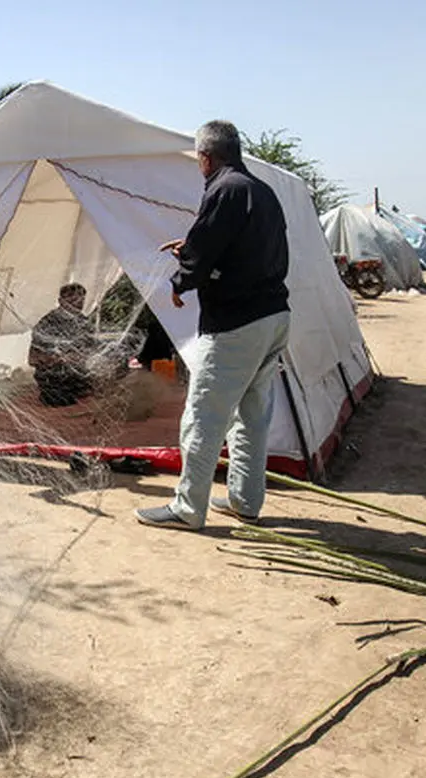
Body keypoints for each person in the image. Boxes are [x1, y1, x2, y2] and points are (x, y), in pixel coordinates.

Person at [134, 120, 291, 531]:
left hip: (237, 323)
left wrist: (181, 280)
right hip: (274, 315)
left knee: (203, 415)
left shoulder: (224, 189)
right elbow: (242, 250)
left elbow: (204, 250)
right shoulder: (261, 191)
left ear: (205, 157)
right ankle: (245, 501)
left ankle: (188, 508)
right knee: (251, 415)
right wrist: (193, 252)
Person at [29, 283, 99, 406]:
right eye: (73, 300)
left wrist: (82, 356)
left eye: (81, 300)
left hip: (76, 372)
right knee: (61, 401)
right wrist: (59, 358)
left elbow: (91, 347)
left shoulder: (84, 321)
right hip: (53, 376)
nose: (78, 304)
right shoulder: (48, 323)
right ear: (61, 301)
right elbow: (33, 358)